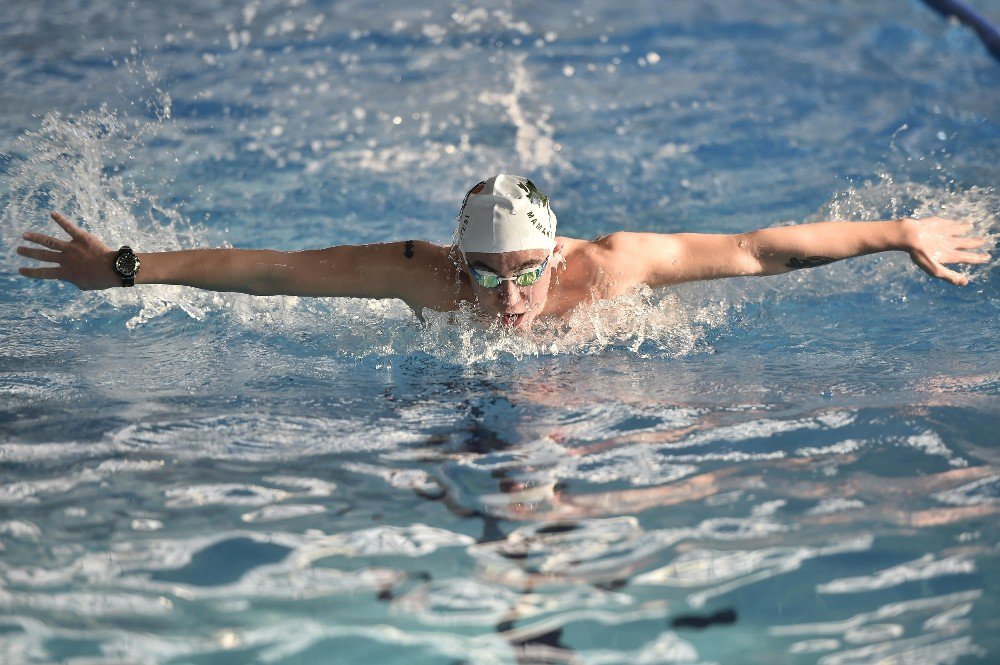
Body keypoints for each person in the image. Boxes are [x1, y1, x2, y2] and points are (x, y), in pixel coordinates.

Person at [16, 173, 991, 330]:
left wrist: (895, 231)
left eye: (524, 272)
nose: (507, 296)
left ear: (553, 254)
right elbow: (265, 265)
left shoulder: (607, 267)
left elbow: (752, 250)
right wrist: (125, 266)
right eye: (483, 273)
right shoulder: (417, 274)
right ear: (454, 258)